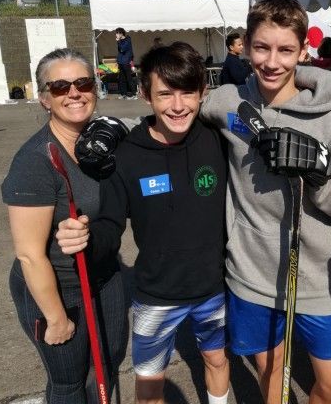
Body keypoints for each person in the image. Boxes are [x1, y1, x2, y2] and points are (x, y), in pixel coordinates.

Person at [200, 0, 331, 404]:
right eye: (262, 47)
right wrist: (116, 128)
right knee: (273, 376)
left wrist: (321, 173)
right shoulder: (227, 101)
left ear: (303, 51)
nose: (272, 62)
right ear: (245, 46)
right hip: (251, 272)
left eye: (286, 50)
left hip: (315, 277)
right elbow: (174, 116)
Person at [55, 43, 230, 404]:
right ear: (144, 94)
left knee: (216, 359)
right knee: (150, 386)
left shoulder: (217, 139)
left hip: (213, 287)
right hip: (155, 295)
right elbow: (109, 225)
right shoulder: (126, 156)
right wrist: (86, 240)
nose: (178, 106)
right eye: (165, 94)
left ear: (203, 93)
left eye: (188, 93)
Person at [2, 48, 129, 403]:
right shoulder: (35, 161)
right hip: (57, 286)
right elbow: (29, 254)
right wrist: (56, 317)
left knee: (108, 363)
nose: (74, 92)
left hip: (105, 276)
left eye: (83, 82)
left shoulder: (104, 142)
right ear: (44, 98)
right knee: (69, 380)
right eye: (59, 86)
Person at [116, 27, 136, 99]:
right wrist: (118, 61)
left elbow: (122, 49)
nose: (116, 35)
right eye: (116, 33)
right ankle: (123, 93)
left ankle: (134, 94)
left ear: (121, 33)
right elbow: (120, 51)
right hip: (121, 62)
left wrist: (118, 41)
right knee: (122, 79)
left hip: (126, 62)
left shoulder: (127, 40)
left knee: (129, 79)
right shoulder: (120, 41)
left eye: (118, 33)